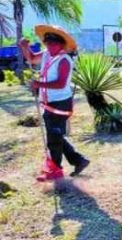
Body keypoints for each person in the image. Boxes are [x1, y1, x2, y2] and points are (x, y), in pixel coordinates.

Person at [18, 25, 89, 181]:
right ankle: (78, 160)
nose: (50, 46)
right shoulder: (45, 55)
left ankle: (55, 172)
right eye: (48, 43)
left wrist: (39, 85)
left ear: (61, 44)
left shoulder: (64, 60)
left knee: (53, 138)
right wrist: (25, 47)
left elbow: (61, 83)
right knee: (55, 135)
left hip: (60, 103)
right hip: (48, 101)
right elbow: (30, 58)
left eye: (54, 43)